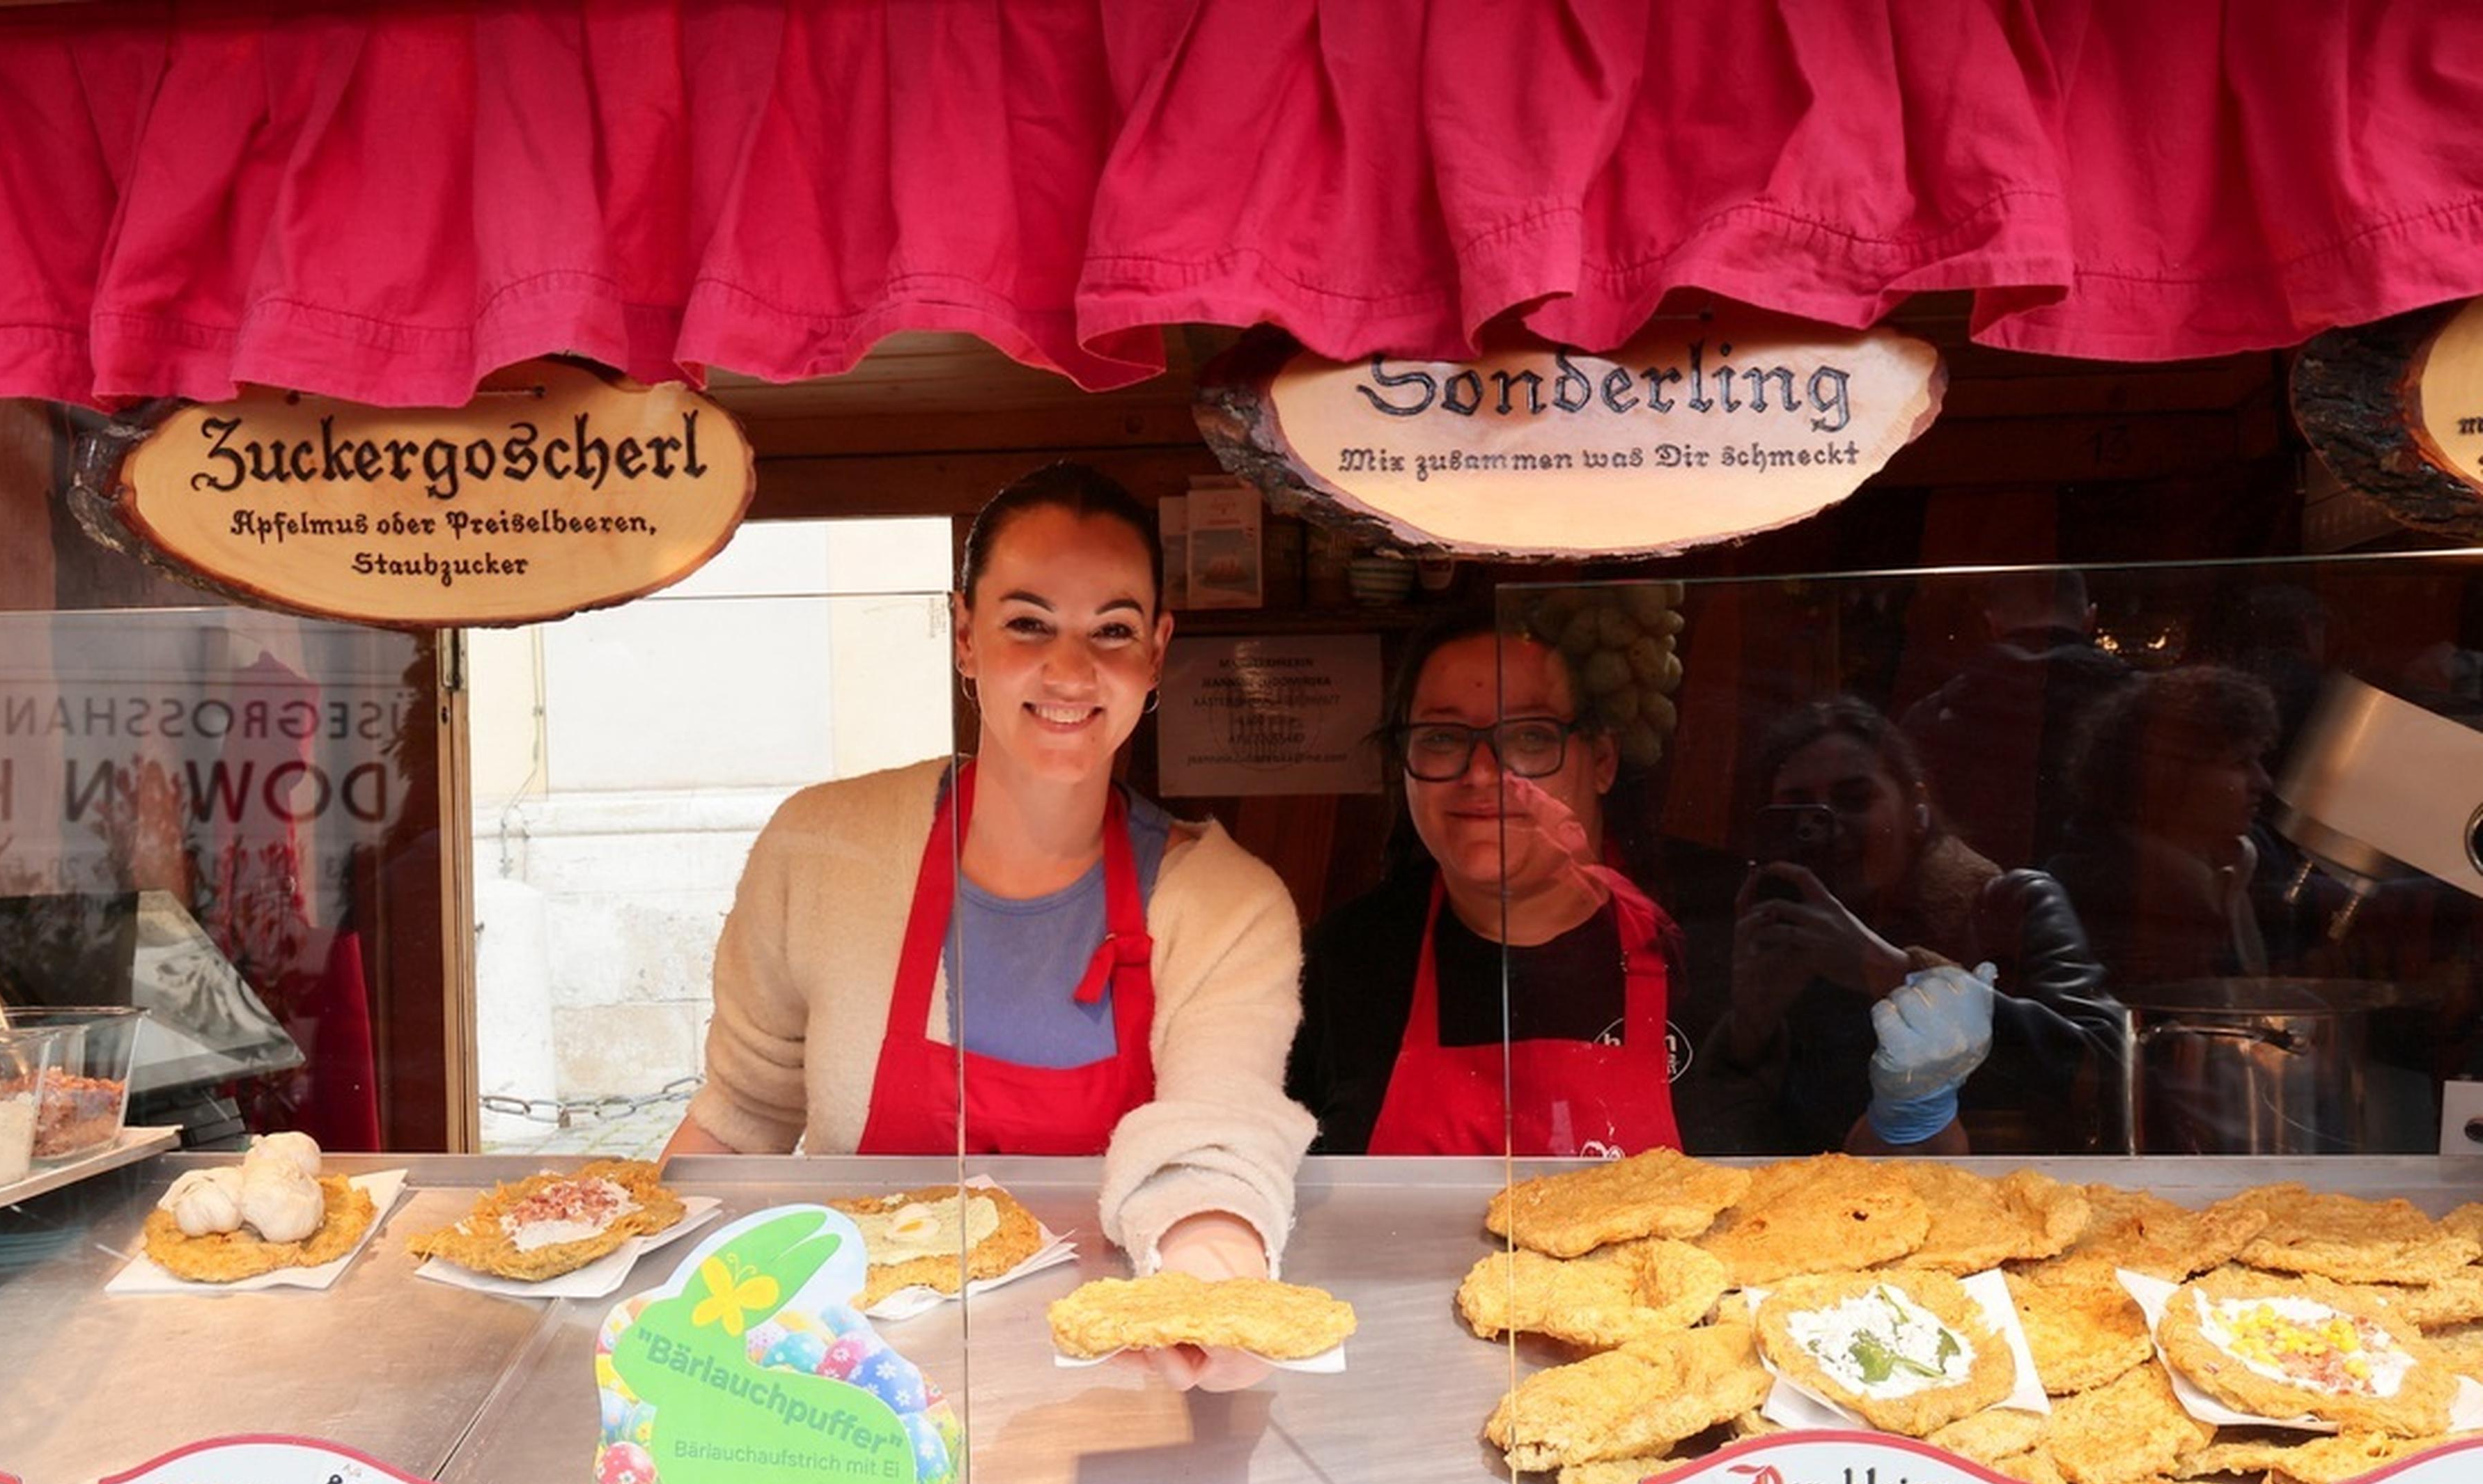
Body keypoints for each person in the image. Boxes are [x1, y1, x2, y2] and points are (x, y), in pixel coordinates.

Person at [662, 462, 1314, 1390]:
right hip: (837, 1403)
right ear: (964, 635)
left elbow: (1215, 1139)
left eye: (1114, 630)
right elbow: (733, 1127)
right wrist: (652, 1324)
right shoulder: (821, 847)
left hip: (1121, 1384)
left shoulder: (1227, 906)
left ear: (1158, 651)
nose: (1070, 670)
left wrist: (1216, 1279)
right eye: (1028, 623)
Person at [1289, 606, 1688, 1157]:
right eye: (1443, 738)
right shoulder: (1342, 962)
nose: (1480, 773)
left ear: (1602, 758)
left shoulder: (1712, 942)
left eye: (1529, 736)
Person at [1688, 698, 2126, 1156]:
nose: (1828, 825)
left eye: (1855, 799)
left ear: (1917, 809)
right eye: (1796, 811)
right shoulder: (1768, 938)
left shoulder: (2007, 909)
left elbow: (2108, 1069)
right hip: (1805, 1217)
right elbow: (1714, 1143)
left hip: (2002, 1211)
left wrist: (1892, 972)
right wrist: (1750, 1031)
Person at [2048, 664, 2302, 995]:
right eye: (2239, 763)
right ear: (2165, 776)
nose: (2263, 782)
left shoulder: (2256, 857)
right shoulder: (2094, 897)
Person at [1901, 570, 2131, 868]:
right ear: (2090, 619)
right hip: (2117, 905)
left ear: (1992, 624)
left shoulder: (1931, 717)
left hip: (1985, 902)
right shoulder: (2143, 706)